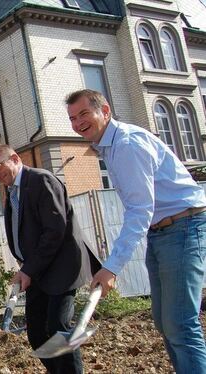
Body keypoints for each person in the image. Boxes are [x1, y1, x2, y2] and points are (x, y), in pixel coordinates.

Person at [66, 89, 206, 373]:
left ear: (105, 111)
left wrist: (111, 267)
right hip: (164, 231)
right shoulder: (111, 145)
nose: (78, 122)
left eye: (83, 114)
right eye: (72, 118)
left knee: (180, 323)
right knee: (165, 322)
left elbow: (139, 209)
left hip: (184, 227)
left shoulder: (127, 145)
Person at [0, 144, 100, 373]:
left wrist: (28, 269)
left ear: (15, 158)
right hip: (37, 271)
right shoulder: (13, 191)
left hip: (61, 267)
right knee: (36, 332)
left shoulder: (41, 181)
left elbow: (55, 231)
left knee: (60, 327)